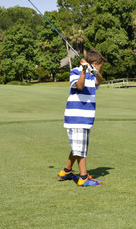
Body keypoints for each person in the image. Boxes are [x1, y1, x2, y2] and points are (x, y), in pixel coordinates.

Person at [57, 49, 106, 187]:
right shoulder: (75, 72)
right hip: (77, 117)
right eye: (100, 66)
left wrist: (94, 71)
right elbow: (79, 86)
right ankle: (83, 178)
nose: (100, 69)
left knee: (78, 146)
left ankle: (66, 171)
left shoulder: (93, 74)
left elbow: (100, 81)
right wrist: (84, 70)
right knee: (81, 149)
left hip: (85, 118)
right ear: (95, 63)